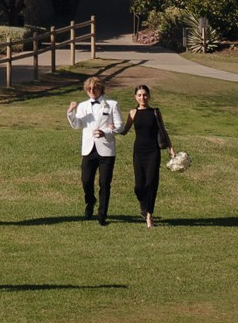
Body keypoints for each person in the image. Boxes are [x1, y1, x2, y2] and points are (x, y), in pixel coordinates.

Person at [65, 74, 123, 225]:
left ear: (101, 89)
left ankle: (102, 215)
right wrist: (70, 113)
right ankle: (90, 202)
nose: (92, 90)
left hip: (106, 149)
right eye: (89, 88)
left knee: (105, 183)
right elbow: (77, 125)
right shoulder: (83, 106)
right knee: (86, 181)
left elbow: (120, 126)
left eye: (95, 88)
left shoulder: (111, 104)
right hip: (89, 149)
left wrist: (108, 132)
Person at [126, 82, 173, 227]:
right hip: (139, 152)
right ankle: (143, 205)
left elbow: (163, 131)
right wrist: (109, 130)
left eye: (145, 95)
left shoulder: (155, 112)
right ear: (135, 97)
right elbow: (124, 130)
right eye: (139, 95)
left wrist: (171, 150)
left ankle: (149, 216)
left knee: (151, 183)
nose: (142, 97)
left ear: (149, 96)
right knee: (139, 186)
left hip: (153, 151)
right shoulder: (133, 113)